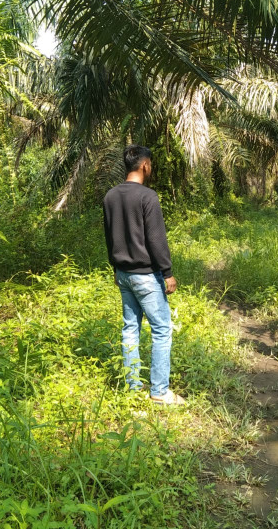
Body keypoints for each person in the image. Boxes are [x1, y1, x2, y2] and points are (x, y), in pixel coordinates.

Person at [103, 145, 185, 405]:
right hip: (146, 276)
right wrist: (168, 272)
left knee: (130, 329)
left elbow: (109, 237)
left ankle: (132, 387)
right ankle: (159, 392)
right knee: (161, 330)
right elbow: (156, 239)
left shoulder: (110, 196)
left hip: (124, 274)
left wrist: (115, 268)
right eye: (151, 164)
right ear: (145, 165)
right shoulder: (147, 197)